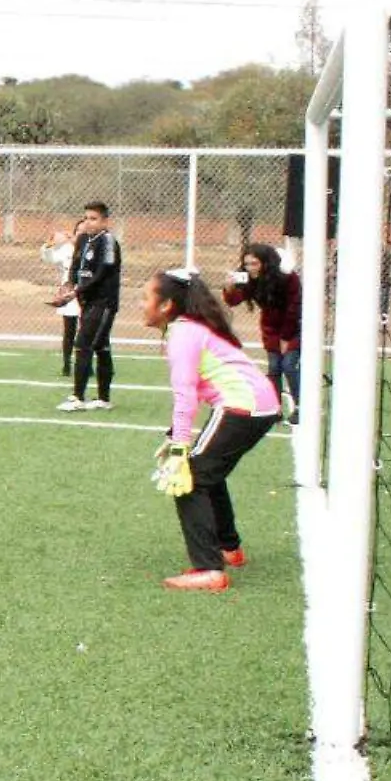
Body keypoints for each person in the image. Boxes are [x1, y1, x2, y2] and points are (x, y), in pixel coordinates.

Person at [143, 269, 282, 592]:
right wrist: (174, 436)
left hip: (244, 407)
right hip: (256, 405)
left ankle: (209, 568)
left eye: (146, 297)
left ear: (166, 306)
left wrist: (179, 448)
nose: (141, 304)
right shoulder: (187, 330)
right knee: (207, 471)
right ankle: (228, 548)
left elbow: (185, 394)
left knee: (189, 479)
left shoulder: (183, 334)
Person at [222, 242, 302, 421]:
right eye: (247, 264)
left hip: (293, 326)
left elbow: (294, 307)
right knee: (274, 368)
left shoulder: (287, 278)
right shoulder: (249, 279)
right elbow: (234, 300)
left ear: (265, 263)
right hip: (271, 328)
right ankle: (275, 408)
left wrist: (286, 337)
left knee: (289, 365)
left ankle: (301, 406)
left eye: (254, 264)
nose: (250, 268)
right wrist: (229, 288)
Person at [58, 202, 121, 411]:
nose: (88, 222)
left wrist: (78, 290)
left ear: (105, 221)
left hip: (104, 302)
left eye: (94, 219)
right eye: (86, 218)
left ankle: (78, 397)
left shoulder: (109, 241)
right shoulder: (83, 239)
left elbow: (103, 272)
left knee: (83, 344)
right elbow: (76, 265)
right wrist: (69, 285)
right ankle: (104, 399)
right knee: (102, 347)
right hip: (86, 301)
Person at [40, 220, 85, 376]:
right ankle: (67, 364)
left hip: (88, 292)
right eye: (78, 230)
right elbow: (49, 258)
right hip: (68, 294)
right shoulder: (67, 249)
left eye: (84, 230)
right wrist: (50, 244)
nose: (80, 233)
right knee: (69, 330)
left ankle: (85, 364)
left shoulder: (92, 249)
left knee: (87, 330)